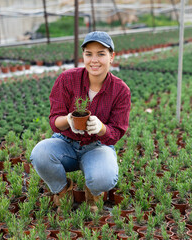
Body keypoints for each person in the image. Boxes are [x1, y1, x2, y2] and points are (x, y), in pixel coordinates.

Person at [30, 31, 131, 212]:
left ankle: (94, 193)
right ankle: (62, 191)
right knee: (40, 153)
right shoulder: (67, 79)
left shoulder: (120, 90)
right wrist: (69, 119)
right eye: (88, 54)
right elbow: (54, 120)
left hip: (97, 146)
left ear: (112, 57)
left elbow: (116, 132)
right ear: (83, 56)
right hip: (65, 143)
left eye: (101, 54)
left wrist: (101, 128)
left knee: (104, 177)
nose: (94, 60)